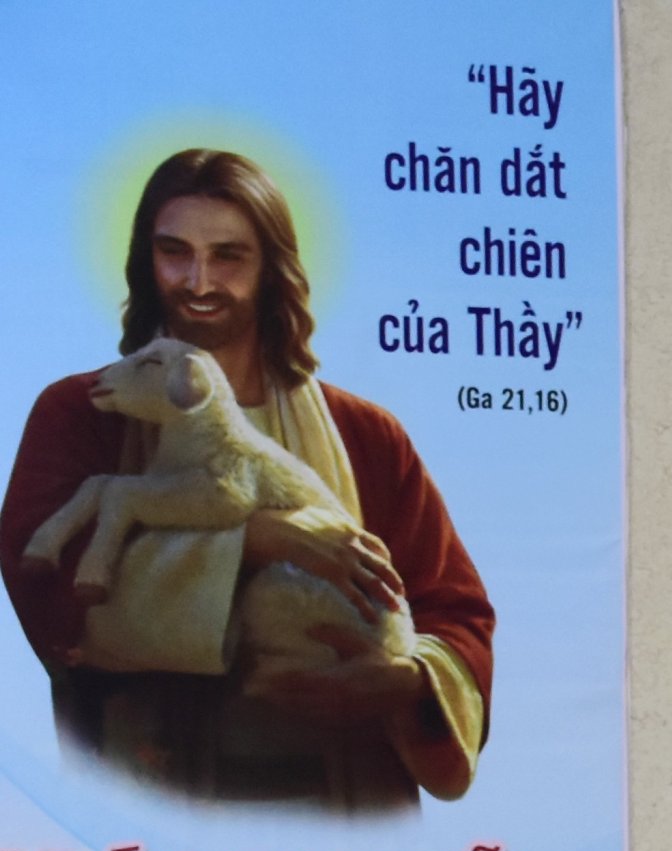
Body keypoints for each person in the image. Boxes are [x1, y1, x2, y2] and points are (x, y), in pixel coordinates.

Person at [1, 148, 491, 808]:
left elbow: (452, 611)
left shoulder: (367, 437)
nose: (199, 281)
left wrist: (402, 683)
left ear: (271, 269)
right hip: (154, 803)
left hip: (345, 809)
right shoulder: (85, 414)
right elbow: (43, 588)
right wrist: (256, 540)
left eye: (228, 256)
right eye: (175, 252)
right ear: (146, 261)